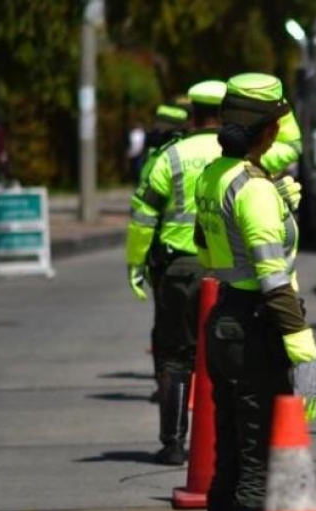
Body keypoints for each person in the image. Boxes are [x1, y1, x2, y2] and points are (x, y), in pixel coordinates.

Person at [194, 73, 316, 511]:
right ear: (267, 130)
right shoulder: (253, 188)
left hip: (223, 320)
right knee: (253, 470)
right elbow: (275, 281)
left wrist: (278, 201)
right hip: (255, 328)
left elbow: (208, 246)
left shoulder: (215, 177)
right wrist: (303, 349)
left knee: (226, 468)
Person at [125, 83, 225, 465]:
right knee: (227, 357)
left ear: (193, 115)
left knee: (174, 357)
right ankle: (222, 442)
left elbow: (143, 215)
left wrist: (136, 263)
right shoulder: (240, 157)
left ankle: (174, 444)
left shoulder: (171, 157)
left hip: (179, 271)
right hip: (228, 271)